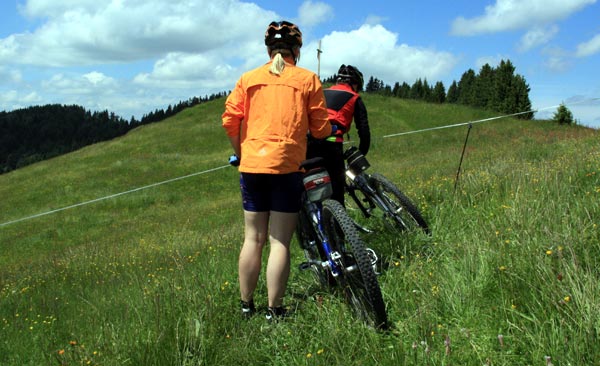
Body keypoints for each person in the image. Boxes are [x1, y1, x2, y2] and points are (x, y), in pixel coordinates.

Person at [221, 20, 332, 320]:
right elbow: (322, 131)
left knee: (252, 239)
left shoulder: (248, 78)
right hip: (287, 167)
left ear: (269, 50)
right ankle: (275, 311)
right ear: (297, 50)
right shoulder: (308, 79)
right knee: (279, 241)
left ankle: (246, 306)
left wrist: (241, 153)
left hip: (252, 166)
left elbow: (230, 121)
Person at [306, 64, 371, 206]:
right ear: (355, 84)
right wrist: (361, 152)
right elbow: (363, 130)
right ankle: (339, 225)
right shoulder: (354, 97)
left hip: (309, 141)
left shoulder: (321, 93)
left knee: (312, 186)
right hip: (332, 142)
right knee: (336, 190)